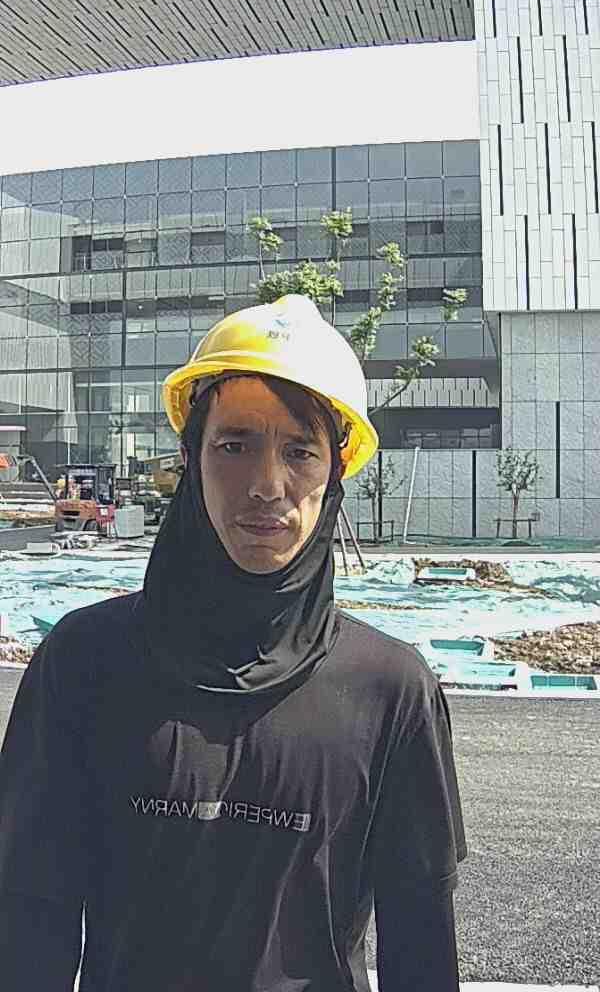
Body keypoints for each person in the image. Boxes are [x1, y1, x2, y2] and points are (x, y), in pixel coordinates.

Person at [0, 294, 467, 991]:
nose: (267, 486)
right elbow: (29, 917)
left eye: (300, 452)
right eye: (234, 445)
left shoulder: (390, 690)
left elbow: (421, 941)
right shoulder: (85, 662)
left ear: (335, 471)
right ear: (190, 456)